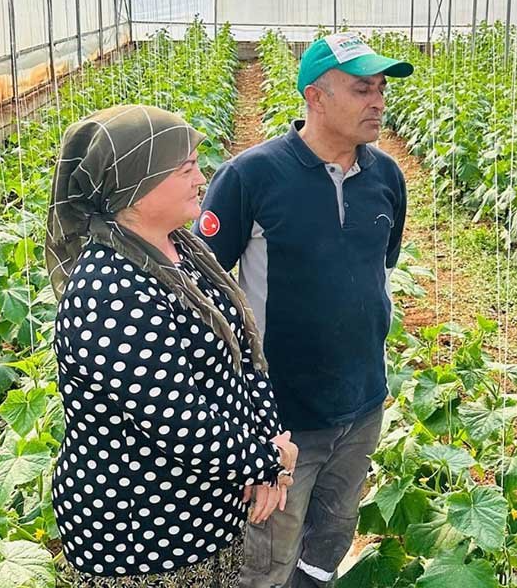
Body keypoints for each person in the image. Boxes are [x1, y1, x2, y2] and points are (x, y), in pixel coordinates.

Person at [45, 104, 299, 587]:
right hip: (140, 538)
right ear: (135, 188)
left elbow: (245, 358)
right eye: (185, 169)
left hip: (204, 513)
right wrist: (267, 461)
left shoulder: (180, 250)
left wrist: (270, 452)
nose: (201, 179)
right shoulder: (108, 291)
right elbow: (177, 419)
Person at [194, 33, 412, 587]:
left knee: (329, 541)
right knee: (265, 558)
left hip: (362, 403)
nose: (378, 101)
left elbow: (378, 274)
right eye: (362, 88)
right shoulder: (251, 176)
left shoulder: (386, 177)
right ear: (315, 97)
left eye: (381, 88)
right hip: (281, 416)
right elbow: (204, 289)